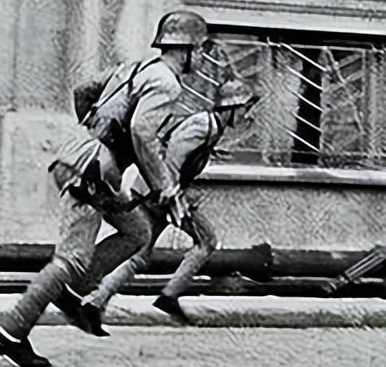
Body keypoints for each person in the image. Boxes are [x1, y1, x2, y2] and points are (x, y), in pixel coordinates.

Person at [0, 10, 207, 367]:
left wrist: (92, 136)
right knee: (71, 259)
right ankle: (12, 334)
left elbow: (84, 91)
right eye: (201, 49)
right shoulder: (168, 83)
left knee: (137, 231)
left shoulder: (134, 68)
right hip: (88, 172)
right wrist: (165, 188)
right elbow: (143, 134)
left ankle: (70, 290)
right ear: (186, 50)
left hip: (87, 162)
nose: (201, 58)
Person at [77, 77, 260, 328]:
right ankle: (168, 296)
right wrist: (174, 198)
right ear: (230, 108)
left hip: (158, 192)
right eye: (243, 108)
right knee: (206, 240)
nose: (246, 114)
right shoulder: (201, 125)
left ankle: (95, 303)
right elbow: (173, 157)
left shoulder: (212, 129)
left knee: (140, 254)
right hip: (159, 193)